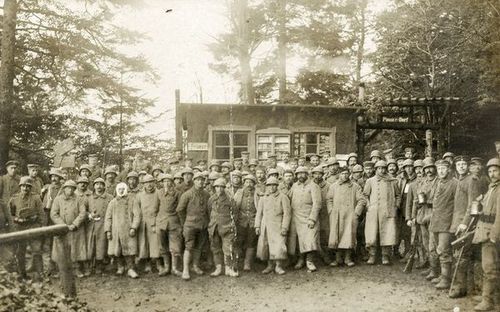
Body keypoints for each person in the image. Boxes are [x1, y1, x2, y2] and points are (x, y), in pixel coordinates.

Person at [459, 158, 500, 311]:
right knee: (488, 266)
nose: (492, 173)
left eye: (495, 170)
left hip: (492, 234)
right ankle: (488, 296)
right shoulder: (492, 187)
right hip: (484, 231)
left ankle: (488, 301)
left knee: (489, 267)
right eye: (490, 171)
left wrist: (494, 235)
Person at [448, 156, 488, 298]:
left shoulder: (471, 180)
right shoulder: (459, 180)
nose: (461, 166)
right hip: (456, 221)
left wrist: (465, 223)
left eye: (464, 164)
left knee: (462, 256)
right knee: (460, 255)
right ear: (455, 166)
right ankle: (467, 287)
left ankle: (461, 288)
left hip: (466, 223)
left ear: (468, 166)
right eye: (459, 164)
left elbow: (473, 205)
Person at [363, 160, 401, 265]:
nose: (381, 170)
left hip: (387, 211)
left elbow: (398, 195)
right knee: (372, 233)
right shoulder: (370, 181)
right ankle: (372, 255)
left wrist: (396, 206)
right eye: (379, 168)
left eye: (383, 168)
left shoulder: (392, 181)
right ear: (376, 169)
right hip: (373, 212)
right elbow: (365, 195)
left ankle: (385, 256)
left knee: (387, 233)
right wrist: (368, 206)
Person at [427, 159, 458, 290]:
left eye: (443, 169)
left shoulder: (455, 183)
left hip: (446, 222)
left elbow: (457, 205)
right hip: (435, 221)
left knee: (444, 250)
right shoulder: (438, 183)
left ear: (449, 169)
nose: (441, 171)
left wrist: (454, 224)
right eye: (439, 169)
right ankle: (441, 274)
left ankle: (446, 279)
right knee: (437, 250)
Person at [327, 167, 366, 267]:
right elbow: (329, 199)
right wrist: (331, 211)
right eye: (342, 173)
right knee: (337, 235)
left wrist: (356, 213)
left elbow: (362, 200)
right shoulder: (333, 186)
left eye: (346, 173)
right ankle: (338, 258)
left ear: (349, 174)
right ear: (339, 174)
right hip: (337, 215)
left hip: (350, 215)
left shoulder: (355, 186)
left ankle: (348, 258)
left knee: (349, 236)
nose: (344, 176)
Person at [9, 176, 45, 280]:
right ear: (20, 187)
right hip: (19, 228)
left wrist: (39, 225)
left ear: (31, 188)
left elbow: (42, 214)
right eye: (23, 186)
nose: (25, 188)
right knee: (20, 251)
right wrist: (17, 219)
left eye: (28, 186)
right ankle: (22, 274)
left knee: (37, 250)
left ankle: (40, 274)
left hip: (33, 227)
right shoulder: (14, 199)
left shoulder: (36, 198)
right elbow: (9, 215)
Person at [176, 172, 211, 280]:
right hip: (190, 225)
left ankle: (195, 266)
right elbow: (180, 210)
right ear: (194, 181)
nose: (200, 182)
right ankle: (186, 270)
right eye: (198, 180)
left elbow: (208, 209)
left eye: (202, 180)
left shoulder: (206, 194)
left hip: (203, 225)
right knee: (189, 246)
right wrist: (185, 222)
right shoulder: (187, 194)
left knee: (199, 247)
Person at [50, 180, 87, 278]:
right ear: (64, 188)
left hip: (75, 229)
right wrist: (63, 225)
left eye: (72, 188)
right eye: (68, 188)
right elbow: (53, 214)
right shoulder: (58, 199)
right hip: (62, 229)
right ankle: (61, 270)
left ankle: (76, 269)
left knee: (76, 248)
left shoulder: (78, 199)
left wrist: (74, 224)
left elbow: (83, 213)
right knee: (60, 249)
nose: (70, 190)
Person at [288, 166, 322, 272]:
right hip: (296, 218)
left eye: (303, 173)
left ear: (307, 174)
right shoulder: (294, 186)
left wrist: (312, 218)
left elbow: (317, 204)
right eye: (298, 174)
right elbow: (288, 198)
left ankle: (309, 261)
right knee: (298, 241)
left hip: (309, 217)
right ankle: (300, 260)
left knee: (310, 239)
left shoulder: (313, 186)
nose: (300, 176)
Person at [255, 177, 291, 275]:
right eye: (269, 185)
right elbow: (259, 213)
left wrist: (284, 227)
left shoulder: (283, 197)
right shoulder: (263, 198)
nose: (272, 187)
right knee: (266, 245)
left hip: (278, 225)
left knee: (279, 245)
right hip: (266, 225)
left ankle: (278, 266)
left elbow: (287, 213)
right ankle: (269, 265)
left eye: (274, 185)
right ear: (267, 186)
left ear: (277, 186)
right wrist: (257, 226)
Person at [105, 182, 141, 278]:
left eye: (123, 189)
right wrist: (108, 230)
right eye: (119, 189)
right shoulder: (112, 202)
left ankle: (131, 269)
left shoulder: (132, 201)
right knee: (117, 250)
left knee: (130, 250)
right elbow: (108, 218)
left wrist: (134, 227)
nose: (121, 190)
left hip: (128, 230)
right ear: (117, 190)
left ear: (126, 189)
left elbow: (137, 215)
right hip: (115, 231)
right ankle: (120, 267)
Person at [207, 178, 239, 277]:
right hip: (214, 227)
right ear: (214, 188)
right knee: (215, 248)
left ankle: (228, 268)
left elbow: (235, 213)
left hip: (227, 227)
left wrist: (230, 224)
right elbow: (209, 211)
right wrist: (213, 223)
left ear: (224, 188)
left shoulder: (230, 199)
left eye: (221, 187)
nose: (219, 189)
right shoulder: (211, 199)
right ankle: (218, 268)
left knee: (228, 248)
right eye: (217, 187)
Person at [156, 173, 183, 277]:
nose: (166, 183)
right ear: (162, 183)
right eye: (164, 181)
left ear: (172, 182)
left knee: (175, 246)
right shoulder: (159, 193)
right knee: (162, 246)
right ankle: (166, 267)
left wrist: (181, 224)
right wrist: (156, 223)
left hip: (174, 222)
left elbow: (180, 209)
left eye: (168, 181)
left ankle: (174, 268)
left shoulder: (178, 193)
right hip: (161, 222)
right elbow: (155, 208)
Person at [85, 178, 113, 276]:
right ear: (94, 186)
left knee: (102, 246)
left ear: (104, 186)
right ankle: (89, 267)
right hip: (91, 225)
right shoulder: (89, 197)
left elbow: (113, 211)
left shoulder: (109, 197)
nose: (99, 186)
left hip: (103, 224)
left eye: (101, 184)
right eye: (97, 184)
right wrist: (89, 215)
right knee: (90, 246)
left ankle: (100, 267)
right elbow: (83, 210)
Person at [135, 174, 161, 273]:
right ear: (143, 184)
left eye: (151, 182)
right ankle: (147, 263)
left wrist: (156, 222)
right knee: (144, 244)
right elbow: (136, 210)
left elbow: (161, 209)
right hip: (143, 223)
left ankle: (159, 263)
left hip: (155, 222)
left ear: (154, 182)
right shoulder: (139, 195)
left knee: (156, 243)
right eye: (146, 183)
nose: (149, 185)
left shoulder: (159, 193)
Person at [234, 174, 258, 271]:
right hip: (240, 221)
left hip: (253, 221)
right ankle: (237, 262)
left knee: (251, 242)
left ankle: (247, 263)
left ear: (254, 184)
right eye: (247, 182)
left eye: (251, 182)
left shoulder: (257, 193)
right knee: (238, 241)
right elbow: (234, 206)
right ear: (244, 183)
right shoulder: (239, 192)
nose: (249, 184)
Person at [311, 165, 332, 265]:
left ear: (323, 175)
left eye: (319, 174)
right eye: (315, 174)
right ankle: (313, 257)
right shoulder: (309, 185)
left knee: (325, 234)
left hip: (324, 213)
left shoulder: (328, 185)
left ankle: (326, 256)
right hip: (312, 213)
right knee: (313, 235)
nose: (317, 176)